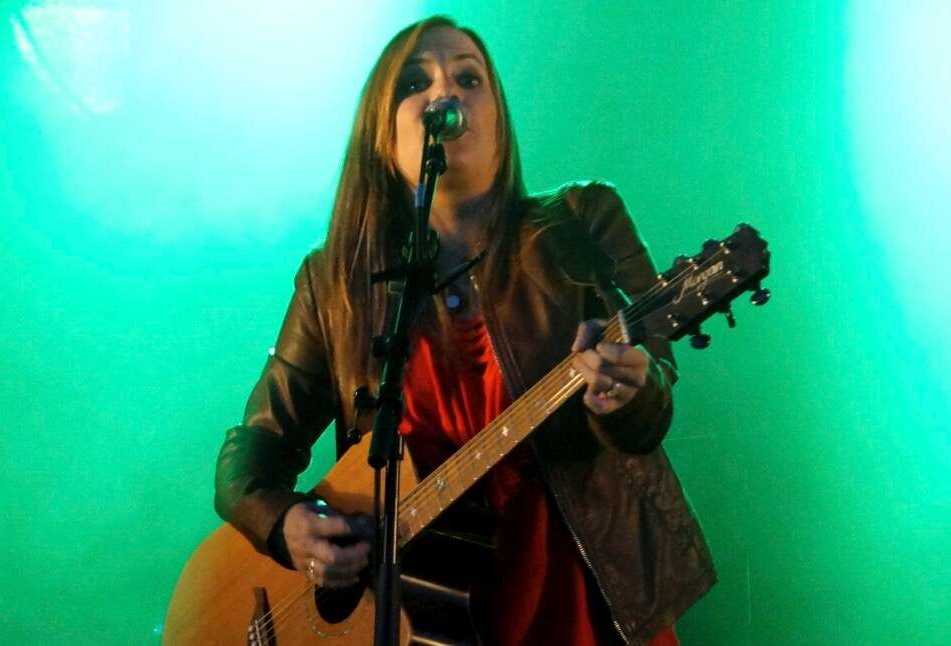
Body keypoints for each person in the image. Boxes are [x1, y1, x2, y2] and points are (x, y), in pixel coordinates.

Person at [213, 15, 715, 645]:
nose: (444, 93)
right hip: (417, 620)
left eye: (468, 78)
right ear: (380, 133)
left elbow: (655, 387)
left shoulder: (582, 222)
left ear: (499, 120)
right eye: (414, 82)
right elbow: (250, 455)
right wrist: (285, 524)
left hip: (582, 602)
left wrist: (629, 393)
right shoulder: (335, 282)